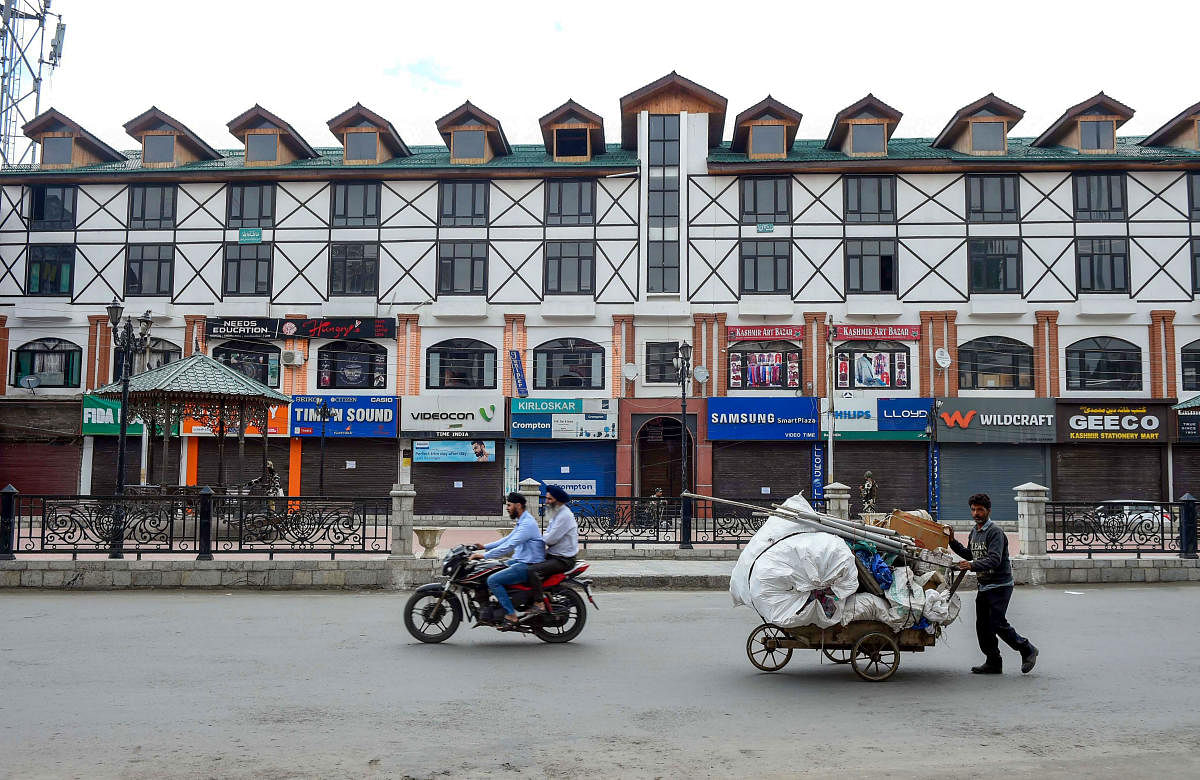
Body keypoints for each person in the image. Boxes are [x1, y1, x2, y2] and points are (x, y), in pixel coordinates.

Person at [950, 492, 1039, 675]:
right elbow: (970, 554)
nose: (976, 513)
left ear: (988, 511)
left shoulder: (995, 532)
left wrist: (972, 565)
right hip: (984, 586)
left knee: (997, 623)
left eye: (980, 510)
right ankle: (993, 662)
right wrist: (952, 542)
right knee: (982, 626)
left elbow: (994, 560)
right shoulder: (975, 532)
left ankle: (1027, 648)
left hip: (1000, 585)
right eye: (973, 510)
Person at [471, 492, 544, 626]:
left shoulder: (527, 524)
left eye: (509, 505)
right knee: (491, 567)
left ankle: (511, 614)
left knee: (493, 580)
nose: (507, 508)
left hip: (527, 565)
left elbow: (509, 545)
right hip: (519, 561)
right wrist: (484, 546)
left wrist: (484, 555)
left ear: (518, 505)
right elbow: (507, 539)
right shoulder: (523, 520)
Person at [525, 485, 579, 616]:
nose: (546, 501)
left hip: (563, 559)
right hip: (554, 555)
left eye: (549, 499)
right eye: (546, 498)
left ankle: (539, 604)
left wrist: (540, 538)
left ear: (558, 501)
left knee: (533, 571)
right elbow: (547, 535)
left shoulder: (564, 516)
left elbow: (550, 539)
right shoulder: (557, 514)